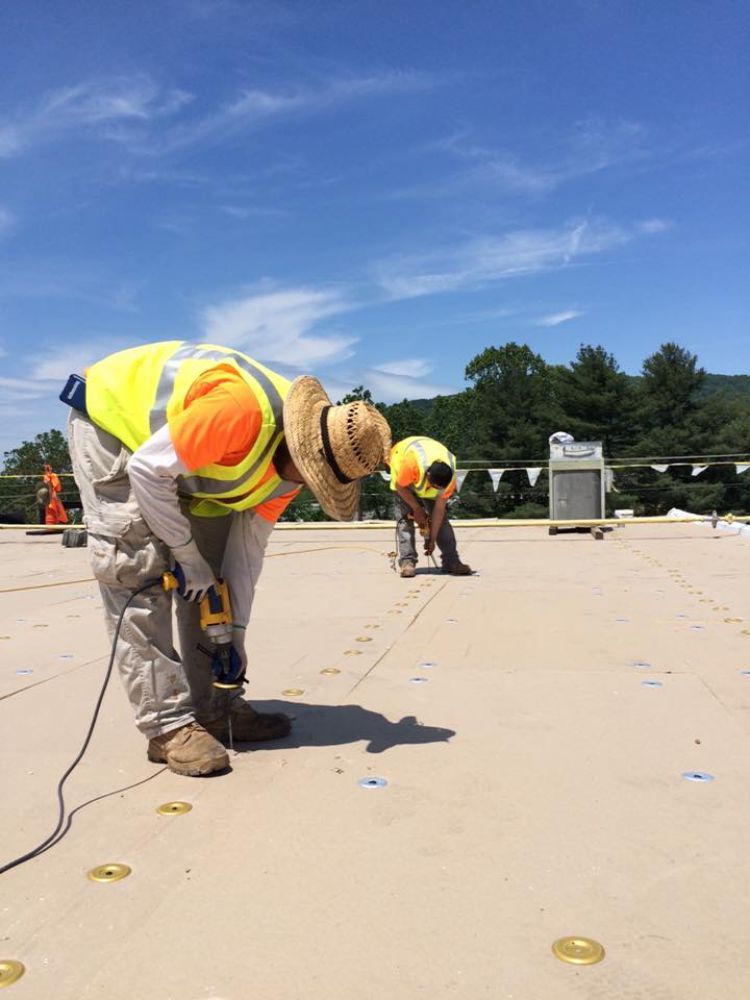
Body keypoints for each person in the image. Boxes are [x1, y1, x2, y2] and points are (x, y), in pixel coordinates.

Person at [64, 341, 391, 777]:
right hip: (114, 427)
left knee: (212, 585)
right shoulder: (239, 410)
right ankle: (167, 725)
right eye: (312, 475)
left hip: (177, 455)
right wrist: (183, 553)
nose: (307, 486)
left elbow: (245, 560)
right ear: (301, 447)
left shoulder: (287, 481)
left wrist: (233, 635)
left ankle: (216, 707)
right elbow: (148, 469)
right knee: (138, 570)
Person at [388, 435, 471, 578]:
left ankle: (451, 561)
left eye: (438, 488)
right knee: (404, 519)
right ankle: (407, 562)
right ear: (428, 475)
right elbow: (400, 486)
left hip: (424, 471)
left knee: (443, 521)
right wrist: (417, 508)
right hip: (402, 471)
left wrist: (432, 538)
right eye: (433, 486)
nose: (435, 489)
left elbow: (438, 511)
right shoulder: (411, 463)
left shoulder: (449, 479)